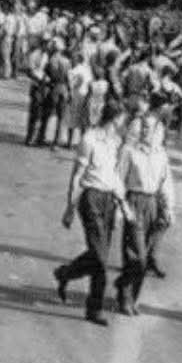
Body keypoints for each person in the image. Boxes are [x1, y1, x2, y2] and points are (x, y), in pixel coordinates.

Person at [53, 102, 130, 326]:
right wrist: (70, 206)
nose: (123, 124)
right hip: (91, 198)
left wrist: (122, 203)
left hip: (109, 199)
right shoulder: (89, 139)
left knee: (100, 256)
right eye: (121, 120)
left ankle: (85, 300)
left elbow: (115, 176)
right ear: (114, 119)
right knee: (100, 257)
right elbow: (77, 175)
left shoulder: (115, 143)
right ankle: (70, 278)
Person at [113, 116, 175, 316]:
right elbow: (118, 180)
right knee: (137, 256)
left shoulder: (161, 154)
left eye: (150, 127)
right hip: (134, 202)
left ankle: (131, 298)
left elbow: (166, 184)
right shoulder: (129, 151)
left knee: (145, 258)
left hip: (153, 204)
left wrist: (168, 209)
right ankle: (124, 296)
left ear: (158, 129)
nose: (146, 131)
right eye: (143, 127)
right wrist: (122, 208)